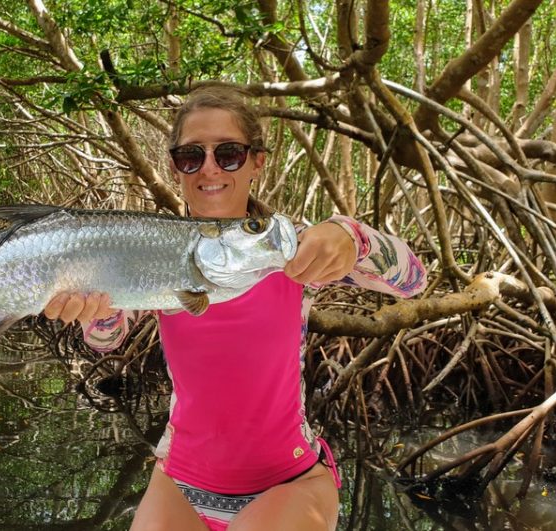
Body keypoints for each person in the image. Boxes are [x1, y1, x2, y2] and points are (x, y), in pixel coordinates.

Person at [43, 88, 427, 530]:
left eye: (228, 153)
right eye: (191, 156)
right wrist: (93, 307)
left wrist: (351, 237)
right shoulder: (157, 249)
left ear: (256, 162)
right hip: (178, 482)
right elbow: (105, 342)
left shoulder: (289, 247)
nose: (209, 168)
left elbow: (412, 281)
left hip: (288, 484)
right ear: (176, 166)